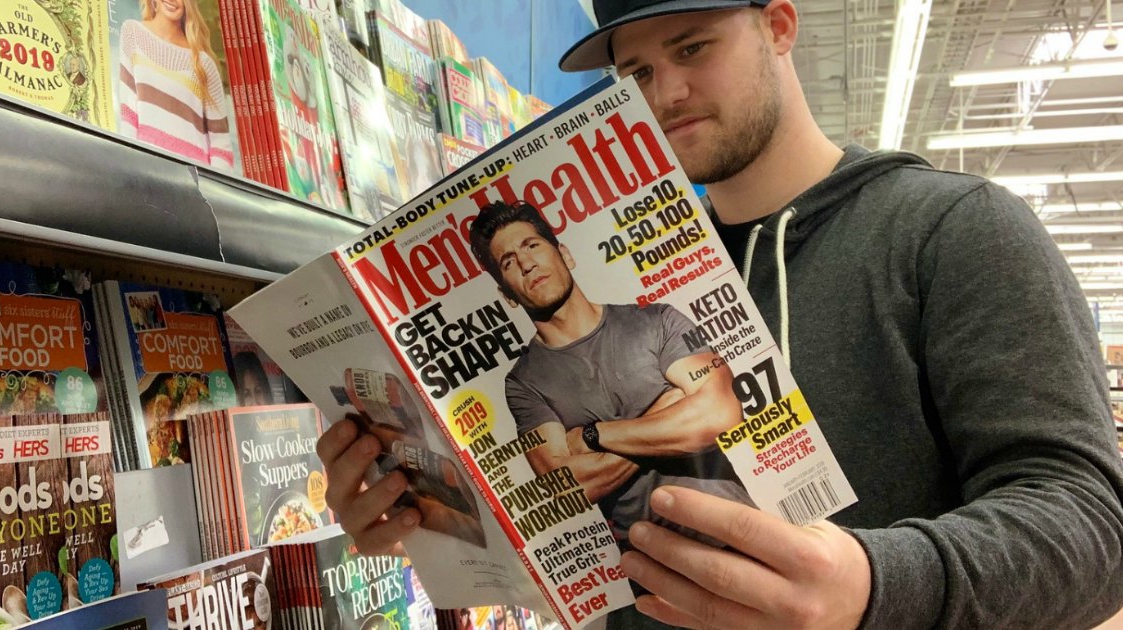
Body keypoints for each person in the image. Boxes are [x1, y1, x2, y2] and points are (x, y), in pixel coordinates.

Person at [318, 1, 1123, 628]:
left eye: (692, 48)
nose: (663, 94)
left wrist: (874, 588)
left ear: (778, 26)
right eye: (633, 72)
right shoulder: (649, 278)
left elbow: (1092, 525)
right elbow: (566, 495)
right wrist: (427, 516)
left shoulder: (955, 231)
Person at [468, 199, 752, 548]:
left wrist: (591, 436)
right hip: (651, 568)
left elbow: (720, 415)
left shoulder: (655, 320)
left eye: (532, 245)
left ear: (565, 255)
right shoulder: (524, 383)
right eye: (509, 262)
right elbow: (565, 491)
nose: (526, 263)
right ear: (507, 294)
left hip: (738, 534)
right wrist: (669, 409)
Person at [117, 0, 235, 169]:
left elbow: (221, 146)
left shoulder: (204, 65)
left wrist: (210, 188)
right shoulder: (133, 33)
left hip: (193, 182)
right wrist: (130, 168)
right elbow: (128, 115)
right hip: (145, 170)